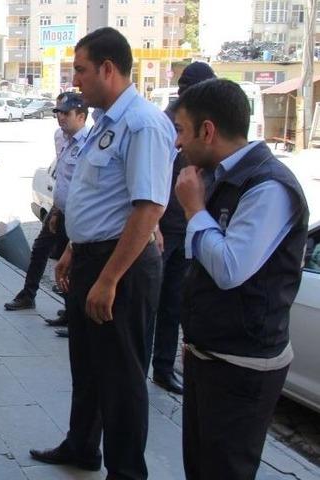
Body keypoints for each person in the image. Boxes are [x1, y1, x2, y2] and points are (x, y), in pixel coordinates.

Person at [29, 28, 175, 479]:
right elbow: (97, 197)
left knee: (122, 376)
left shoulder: (143, 124)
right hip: (92, 256)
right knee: (88, 365)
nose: (76, 80)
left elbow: (148, 207)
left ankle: (127, 471)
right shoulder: (106, 124)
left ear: (108, 69)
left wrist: (109, 279)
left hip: (122, 267)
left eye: (81, 69)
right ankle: (82, 446)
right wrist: (74, 248)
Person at [173, 78, 308, 480]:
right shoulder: (217, 175)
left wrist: (194, 210)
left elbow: (230, 269)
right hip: (210, 354)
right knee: (200, 466)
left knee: (224, 470)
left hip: (242, 365)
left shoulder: (267, 185)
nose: (177, 143)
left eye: (181, 130)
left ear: (208, 130)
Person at [149, 62, 216, 395]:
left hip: (185, 225)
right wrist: (154, 224)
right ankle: (138, 365)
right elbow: (153, 175)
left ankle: (162, 368)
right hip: (162, 226)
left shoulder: (201, 122)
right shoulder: (167, 123)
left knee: (173, 303)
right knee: (149, 301)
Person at [4, 93, 88, 326]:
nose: (60, 118)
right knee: (41, 249)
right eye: (58, 113)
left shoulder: (88, 143)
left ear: (81, 116)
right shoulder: (60, 137)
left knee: (72, 260)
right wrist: (56, 210)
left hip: (77, 212)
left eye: (66, 113)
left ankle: (72, 311)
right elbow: (62, 174)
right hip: (58, 208)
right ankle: (28, 294)